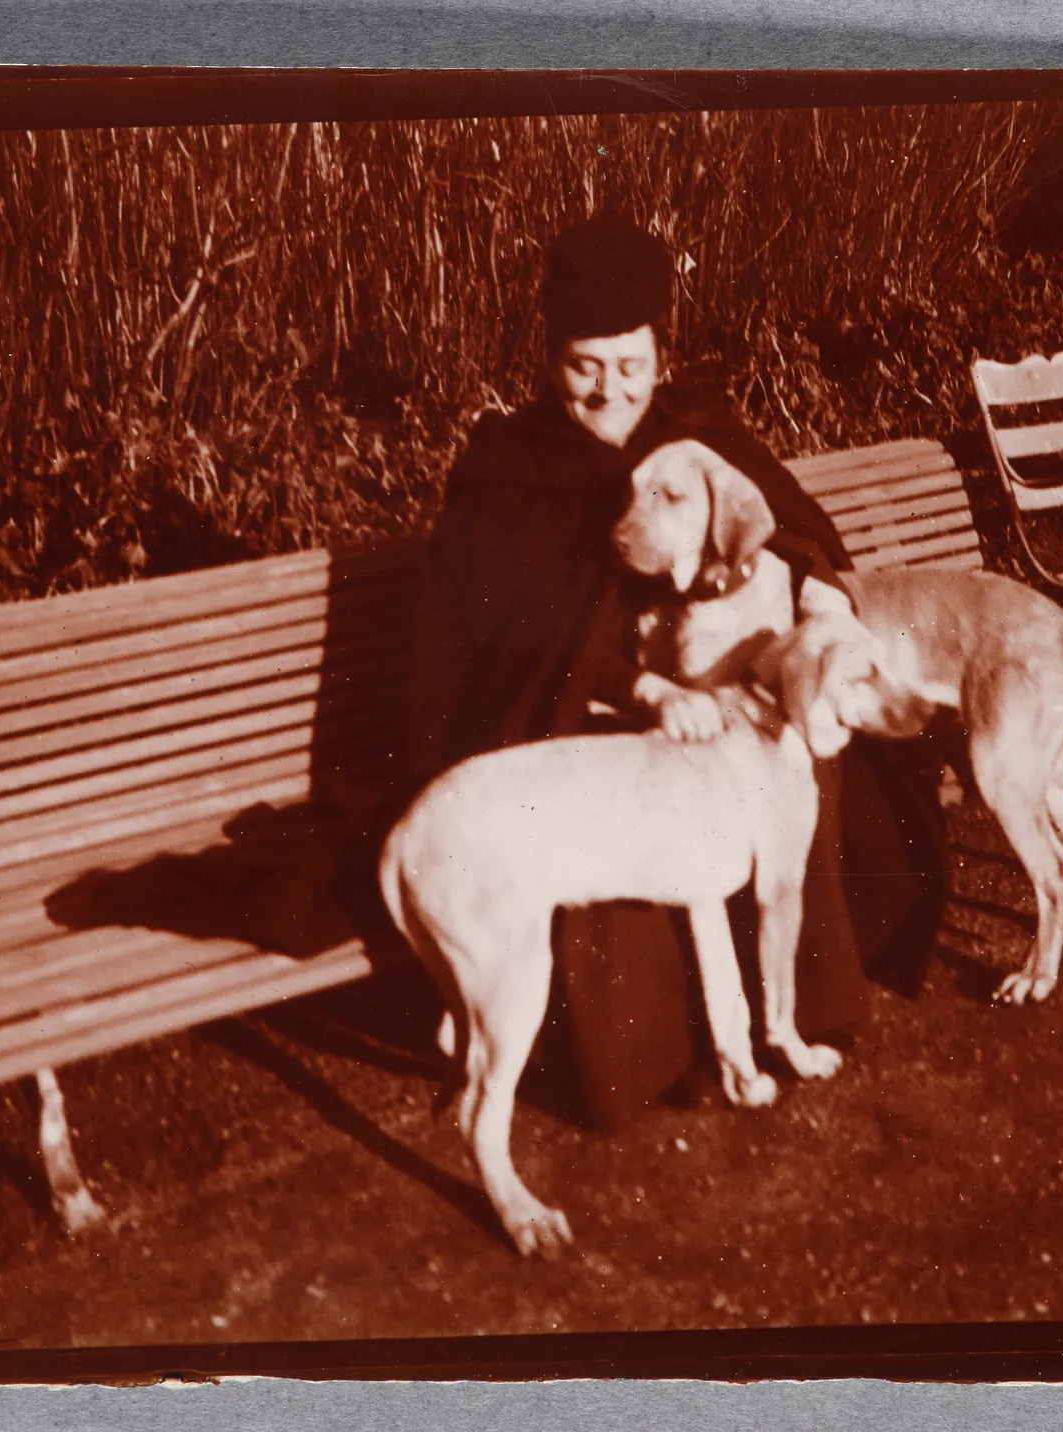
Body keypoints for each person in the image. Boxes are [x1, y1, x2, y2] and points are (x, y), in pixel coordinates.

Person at [405, 213, 946, 1129]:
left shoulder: (699, 435)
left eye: (631, 363)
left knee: (798, 756)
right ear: (550, 358)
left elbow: (793, 527)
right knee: (622, 805)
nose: (610, 388)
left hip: (719, 704)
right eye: (586, 364)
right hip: (578, 708)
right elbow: (505, 626)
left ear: (659, 354)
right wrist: (641, 690)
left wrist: (817, 592)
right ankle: (664, 1052)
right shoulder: (509, 467)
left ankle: (794, 1012)